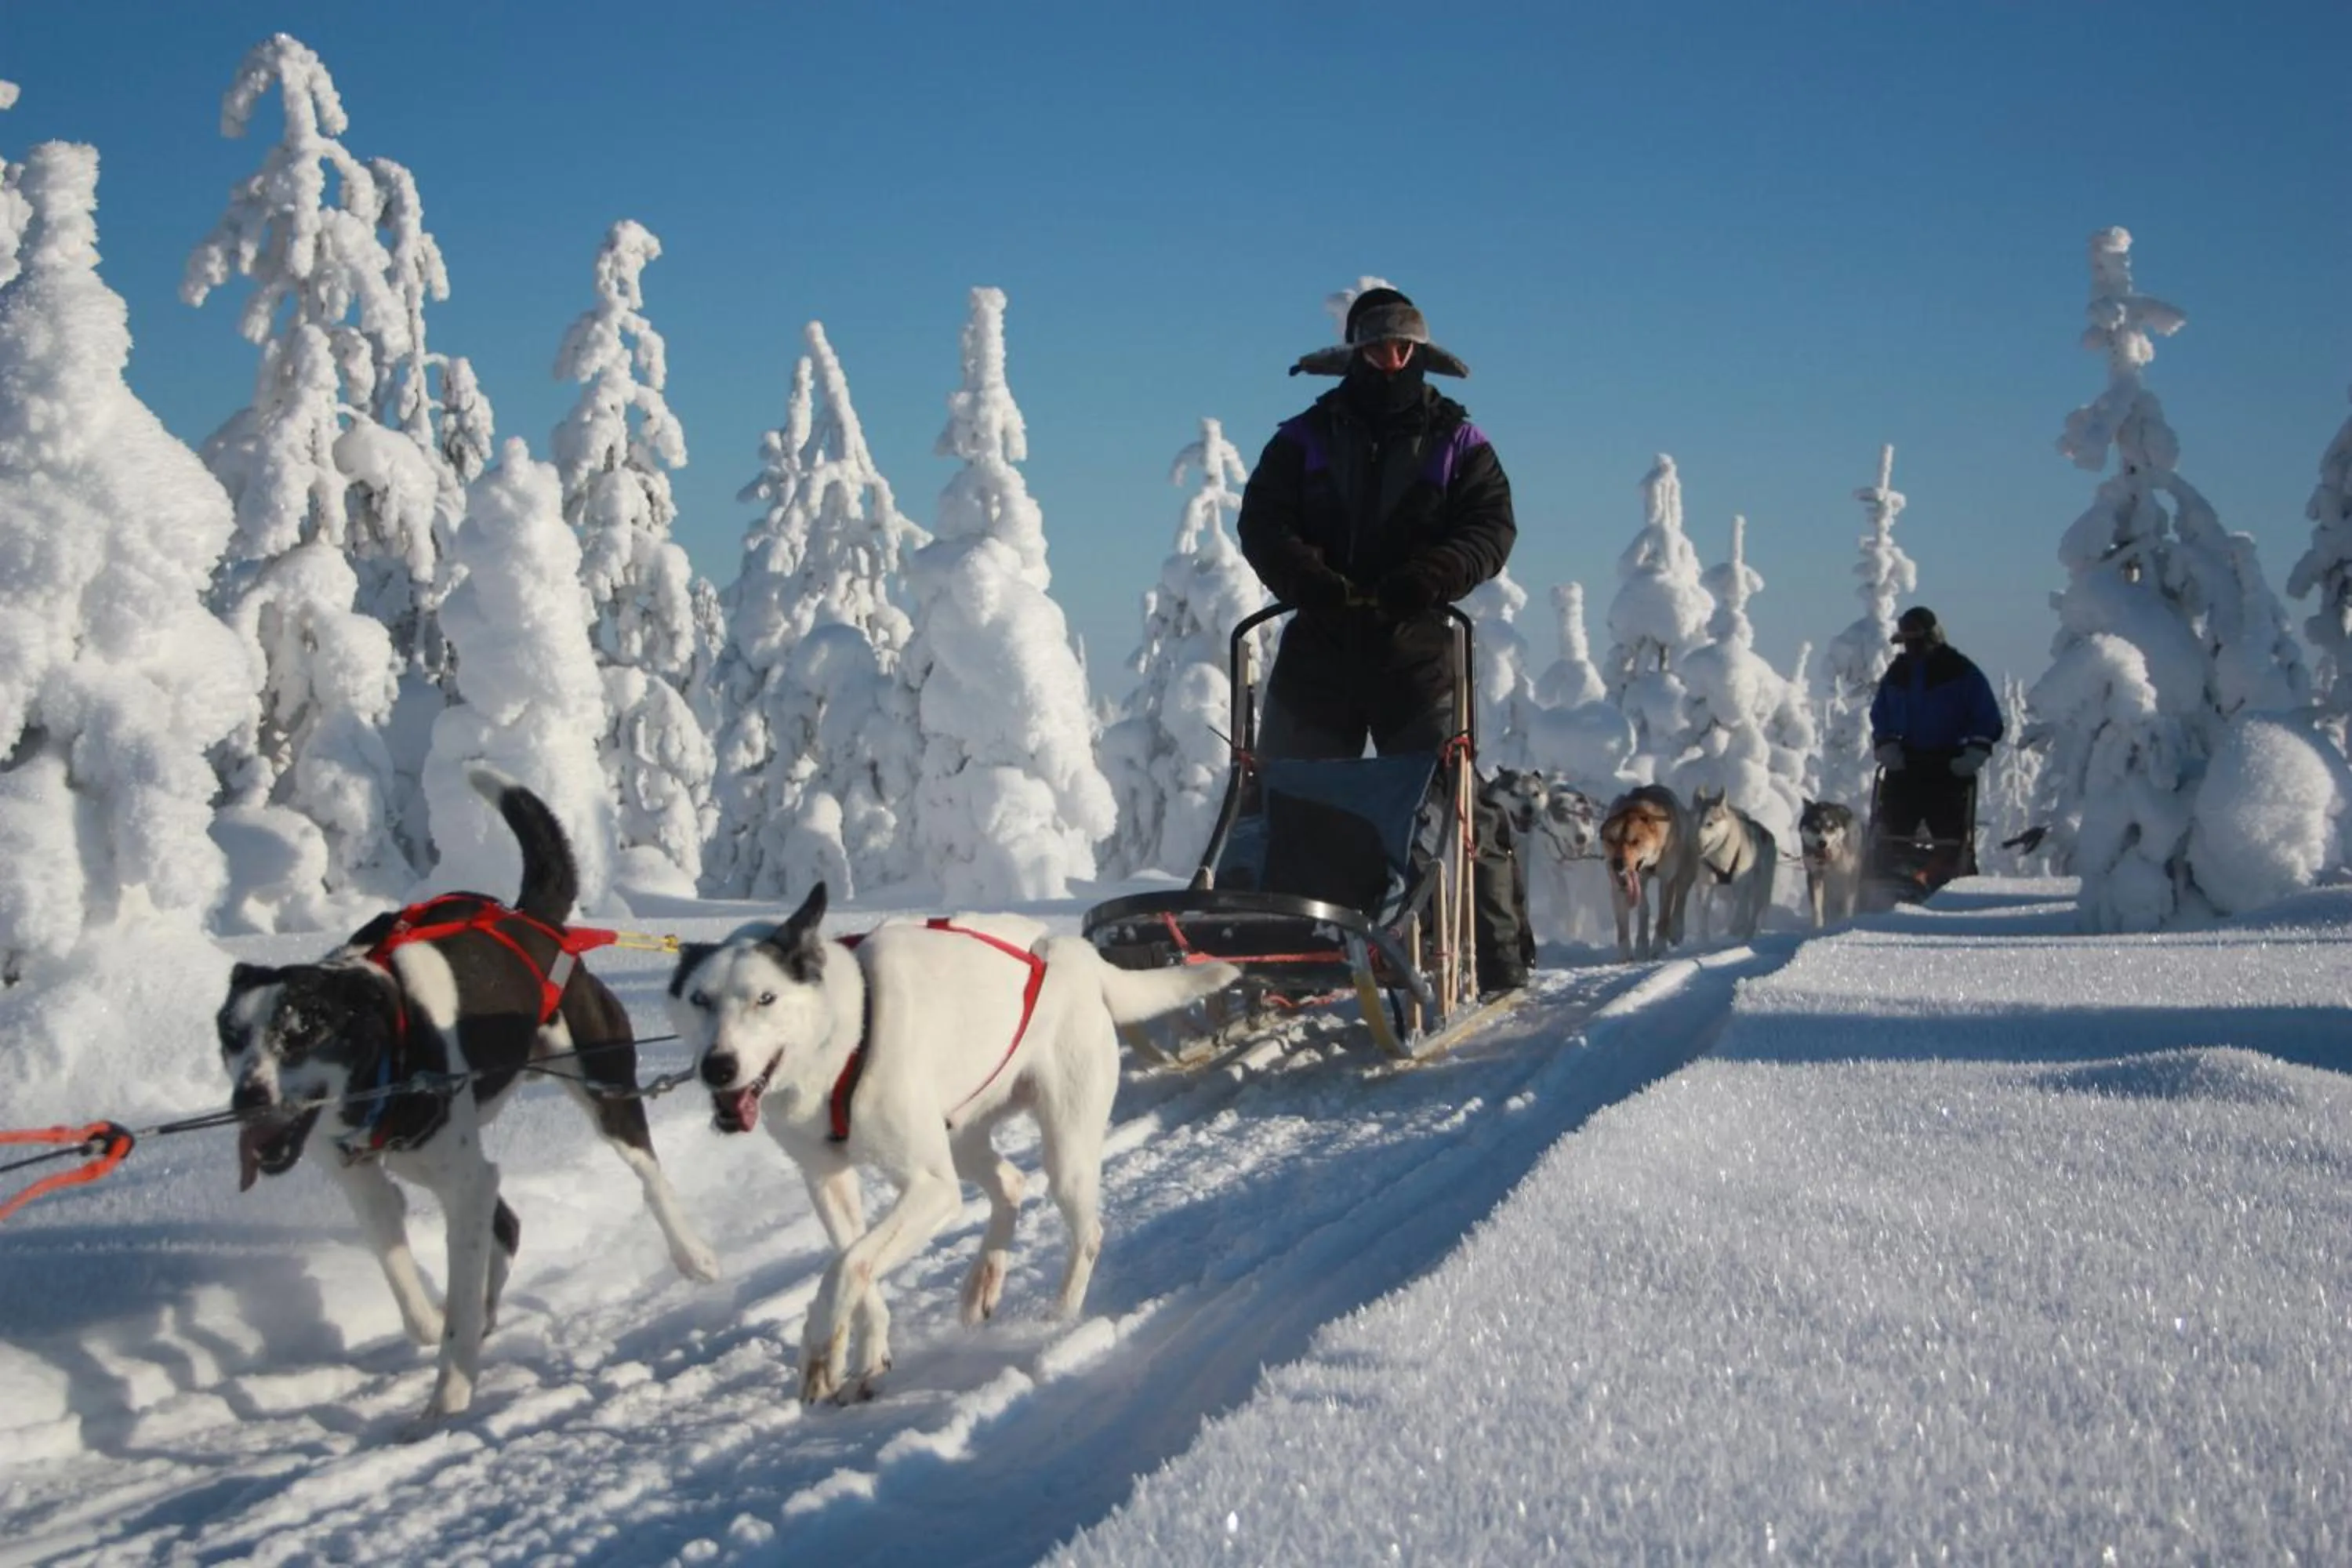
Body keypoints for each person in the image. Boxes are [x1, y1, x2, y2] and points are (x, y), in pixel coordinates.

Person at [1235, 286, 1531, 992]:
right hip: (1322, 645)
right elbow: (1263, 522)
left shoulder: (1460, 441)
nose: (1390, 360)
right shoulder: (1302, 437)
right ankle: (1281, 958)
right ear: (1356, 352)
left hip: (1416, 647)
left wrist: (1434, 573)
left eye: (1403, 348)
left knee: (1454, 799)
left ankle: (1495, 963)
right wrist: (1306, 578)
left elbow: (1490, 528)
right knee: (1284, 794)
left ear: (1420, 354)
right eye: (1377, 347)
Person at [1867, 605, 2004, 889]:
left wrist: (1975, 751)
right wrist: (1886, 743)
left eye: (1915, 639)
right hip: (1906, 762)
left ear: (1931, 637)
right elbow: (1881, 713)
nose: (1910, 646)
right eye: (1906, 640)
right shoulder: (1898, 673)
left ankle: (1947, 882)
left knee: (1951, 835)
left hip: (1949, 765)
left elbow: (1986, 716)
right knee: (1890, 830)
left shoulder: (1960, 671)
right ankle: (1886, 882)